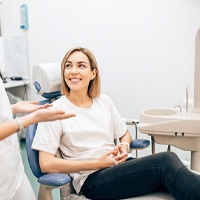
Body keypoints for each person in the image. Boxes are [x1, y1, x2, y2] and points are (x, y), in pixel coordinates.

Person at [32, 47, 200, 200]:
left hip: (120, 166)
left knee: (180, 177)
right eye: (68, 66)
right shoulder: (54, 110)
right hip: (92, 179)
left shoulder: (103, 101)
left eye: (81, 66)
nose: (73, 71)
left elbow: (124, 134)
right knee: (166, 161)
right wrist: (96, 163)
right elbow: (46, 164)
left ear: (93, 73)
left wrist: (124, 146)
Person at [0, 77, 75, 200]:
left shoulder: (104, 103)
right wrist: (30, 119)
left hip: (13, 170)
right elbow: (46, 163)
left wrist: (12, 108)